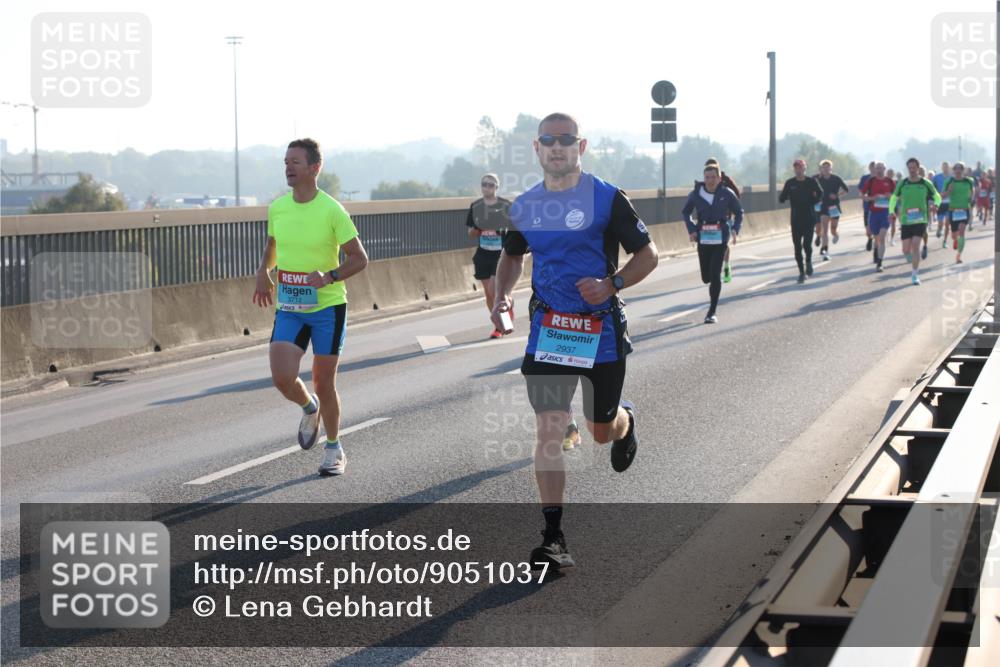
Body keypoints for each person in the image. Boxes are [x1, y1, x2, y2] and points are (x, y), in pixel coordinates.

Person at [491, 113, 658, 570]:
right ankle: (553, 538)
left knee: (600, 431)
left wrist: (613, 284)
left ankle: (625, 420)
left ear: (580, 147)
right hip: (550, 332)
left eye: (566, 140)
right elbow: (511, 256)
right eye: (549, 140)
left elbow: (648, 254)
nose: (557, 147)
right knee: (549, 427)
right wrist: (502, 293)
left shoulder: (607, 198)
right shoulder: (525, 206)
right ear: (537, 148)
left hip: (600, 333)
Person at [253, 138, 369, 476]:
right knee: (282, 377)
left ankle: (334, 448)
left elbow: (359, 258)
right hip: (289, 305)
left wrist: (330, 276)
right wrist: (263, 271)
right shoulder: (278, 208)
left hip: (327, 308)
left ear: (315, 167)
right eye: (286, 162)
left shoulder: (332, 210)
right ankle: (308, 407)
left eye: (296, 162)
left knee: (323, 381)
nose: (288, 167)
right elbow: (273, 245)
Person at [682, 163, 744, 323]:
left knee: (715, 275)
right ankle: (711, 282)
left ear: (719, 178)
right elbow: (686, 212)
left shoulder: (726, 193)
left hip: (720, 237)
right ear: (704, 178)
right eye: (707, 177)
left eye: (713, 177)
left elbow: (739, 212)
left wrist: (735, 228)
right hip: (703, 237)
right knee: (706, 277)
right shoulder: (696, 194)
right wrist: (691, 229)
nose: (710, 181)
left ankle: (712, 312)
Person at [466, 173, 513, 338]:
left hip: (501, 255)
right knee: (488, 293)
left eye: (491, 185)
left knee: (494, 290)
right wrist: (479, 227)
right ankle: (499, 322)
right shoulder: (476, 206)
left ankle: (501, 325)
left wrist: (501, 228)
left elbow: (514, 228)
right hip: (483, 254)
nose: (487, 187)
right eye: (484, 184)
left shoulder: (505, 205)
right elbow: (470, 233)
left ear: (496, 187)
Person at [888, 157, 940, 285]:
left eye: (914, 168)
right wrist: (891, 211)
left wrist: (936, 205)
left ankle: (915, 274)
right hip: (906, 221)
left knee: (916, 246)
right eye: (909, 168)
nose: (911, 170)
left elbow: (937, 196)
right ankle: (912, 260)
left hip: (920, 219)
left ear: (918, 168)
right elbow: (893, 198)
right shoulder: (903, 183)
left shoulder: (926, 183)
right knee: (906, 250)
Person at [779, 159, 824, 283]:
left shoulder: (811, 181)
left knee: (807, 245)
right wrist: (783, 197)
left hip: (809, 218)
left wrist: (813, 201)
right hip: (796, 219)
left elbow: (821, 193)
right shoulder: (790, 183)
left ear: (805, 168)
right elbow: (782, 198)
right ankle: (801, 272)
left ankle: (808, 261)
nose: (798, 170)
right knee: (797, 247)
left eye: (800, 167)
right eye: (796, 168)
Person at [703, 158, 741, 283]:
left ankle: (726, 266)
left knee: (723, 245)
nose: (710, 179)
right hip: (708, 221)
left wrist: (728, 204)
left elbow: (736, 194)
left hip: (725, 217)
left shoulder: (726, 180)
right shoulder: (705, 182)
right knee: (709, 245)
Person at [861, 161, 895, 272]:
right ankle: (876, 249)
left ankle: (880, 263)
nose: (879, 170)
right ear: (874, 170)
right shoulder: (871, 181)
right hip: (874, 213)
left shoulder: (889, 181)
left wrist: (890, 196)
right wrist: (872, 198)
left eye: (881, 168)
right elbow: (862, 195)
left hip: (885, 213)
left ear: (885, 169)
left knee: (882, 237)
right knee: (876, 237)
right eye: (877, 168)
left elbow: (897, 196)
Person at [814, 159, 850, 260]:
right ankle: (825, 250)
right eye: (824, 168)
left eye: (828, 167)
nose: (826, 169)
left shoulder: (836, 178)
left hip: (834, 206)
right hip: (823, 206)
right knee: (824, 230)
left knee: (833, 229)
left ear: (831, 168)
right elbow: (808, 186)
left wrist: (837, 195)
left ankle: (836, 234)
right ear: (821, 169)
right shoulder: (816, 178)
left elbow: (846, 190)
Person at [943, 162, 976, 264]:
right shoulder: (949, 181)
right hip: (953, 210)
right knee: (954, 236)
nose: (958, 170)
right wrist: (948, 191)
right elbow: (942, 195)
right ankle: (955, 240)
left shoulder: (969, 180)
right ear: (953, 170)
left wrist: (971, 197)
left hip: (964, 210)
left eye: (960, 168)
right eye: (956, 168)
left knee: (962, 231)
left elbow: (973, 190)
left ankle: (958, 256)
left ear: (963, 170)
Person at [932, 162, 951, 243]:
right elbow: (932, 188)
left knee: (947, 223)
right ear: (942, 168)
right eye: (944, 167)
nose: (945, 168)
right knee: (940, 223)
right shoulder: (936, 177)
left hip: (949, 203)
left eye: (947, 167)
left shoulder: (952, 177)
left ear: (949, 168)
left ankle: (945, 241)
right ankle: (939, 229)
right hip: (940, 203)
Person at [859, 161, 876, 251]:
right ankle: (870, 238)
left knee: (878, 229)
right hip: (867, 207)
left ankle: (877, 246)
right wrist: (865, 196)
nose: (873, 169)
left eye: (875, 167)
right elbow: (861, 190)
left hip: (879, 208)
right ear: (869, 168)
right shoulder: (864, 178)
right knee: (868, 230)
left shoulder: (882, 179)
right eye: (872, 167)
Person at [886, 168, 898, 244]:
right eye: (889, 173)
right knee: (885, 223)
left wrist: (891, 196)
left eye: (891, 173)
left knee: (893, 223)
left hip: (893, 206)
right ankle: (885, 236)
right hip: (884, 206)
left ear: (893, 175)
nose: (890, 175)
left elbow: (897, 195)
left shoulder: (893, 183)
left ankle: (892, 239)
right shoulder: (882, 181)